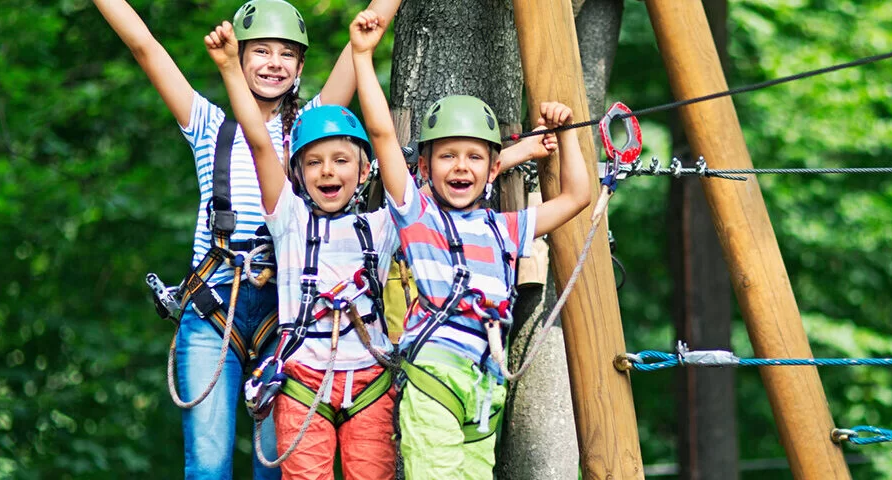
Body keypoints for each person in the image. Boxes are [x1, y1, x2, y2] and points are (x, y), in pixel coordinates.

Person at [94, 0, 399, 477]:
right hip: (214, 304)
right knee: (209, 462)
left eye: (286, 54)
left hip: (291, 315)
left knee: (277, 465)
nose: (273, 63)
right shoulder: (208, 125)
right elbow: (145, 48)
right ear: (238, 58)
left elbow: (366, 34)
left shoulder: (312, 128)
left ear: (300, 66)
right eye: (260, 51)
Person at [349, 10, 592, 478]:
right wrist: (362, 55)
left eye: (474, 157)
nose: (461, 167)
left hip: (485, 390)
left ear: (492, 167)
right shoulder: (417, 215)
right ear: (426, 165)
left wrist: (568, 136)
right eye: (448, 156)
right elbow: (381, 134)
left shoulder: (505, 228)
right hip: (435, 377)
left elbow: (577, 197)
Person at [206, 19, 400, 479]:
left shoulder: (385, 224)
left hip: (369, 381)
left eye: (340, 161)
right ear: (297, 174)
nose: (327, 172)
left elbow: (385, 136)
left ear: (364, 169)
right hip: (301, 381)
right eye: (313, 163)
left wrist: (363, 57)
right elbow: (258, 142)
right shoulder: (289, 221)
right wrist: (232, 67)